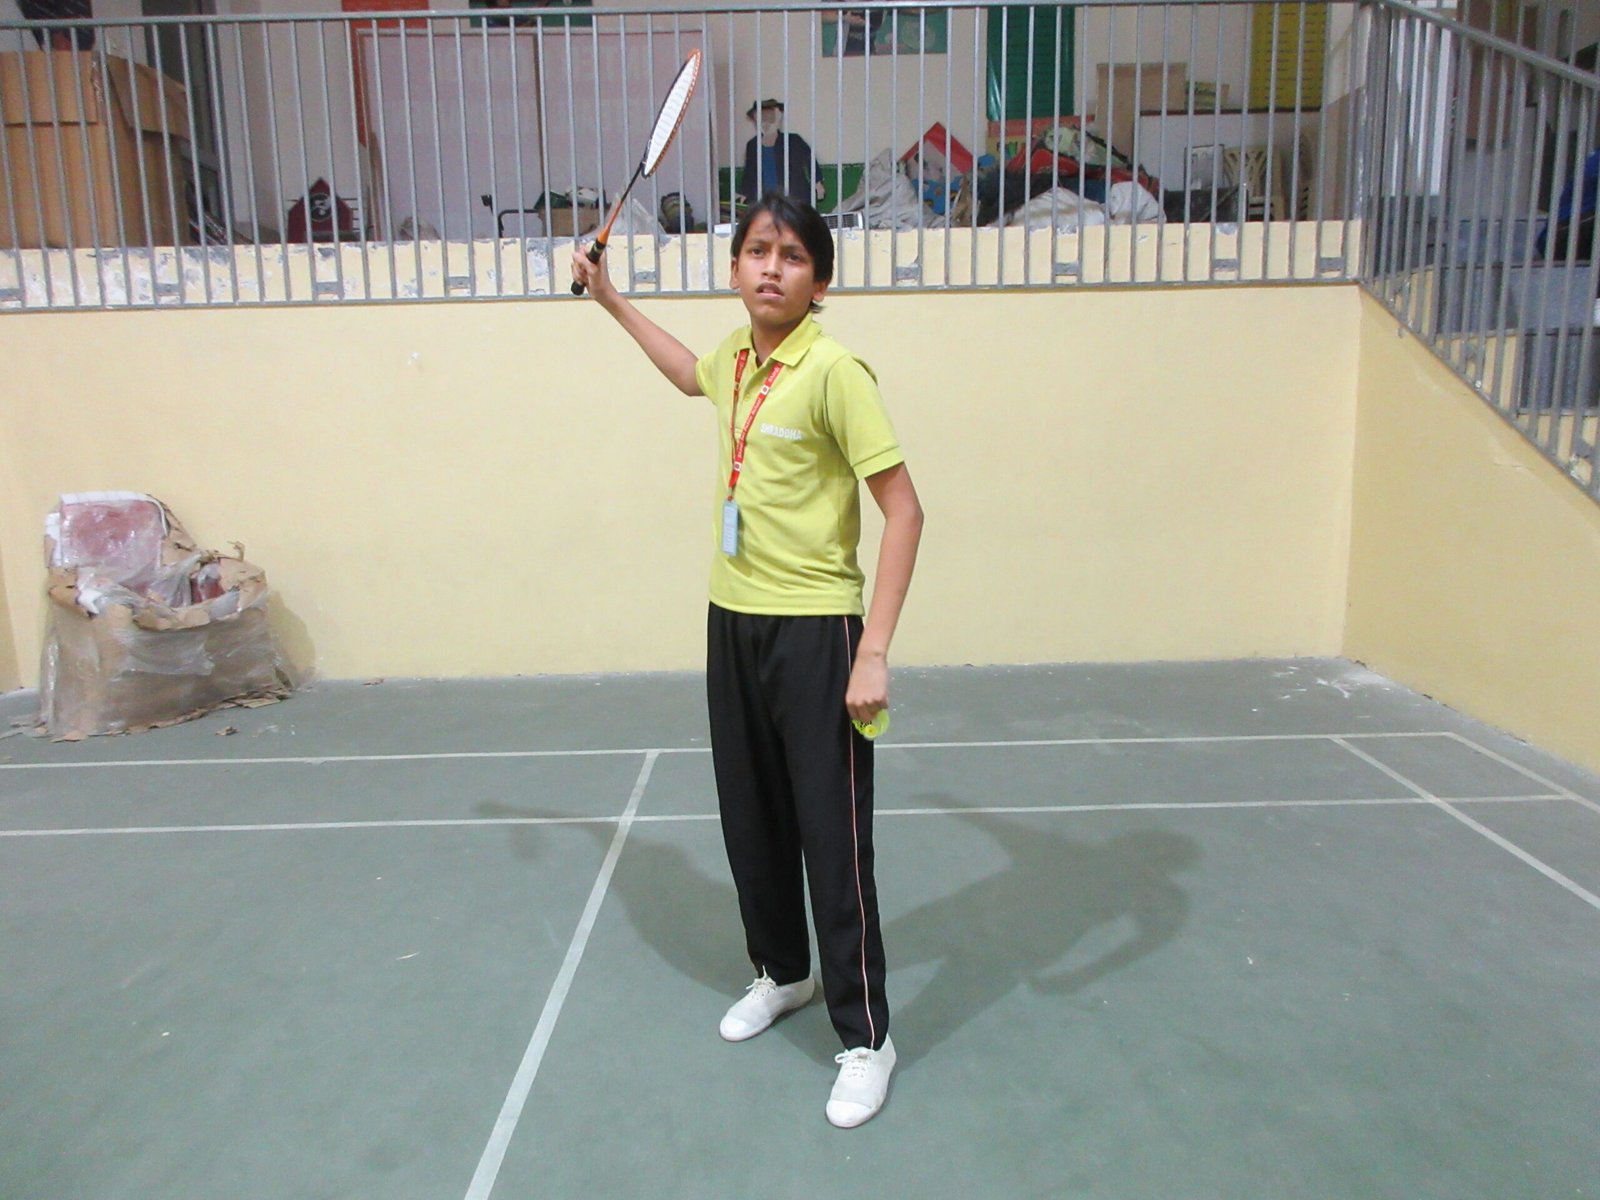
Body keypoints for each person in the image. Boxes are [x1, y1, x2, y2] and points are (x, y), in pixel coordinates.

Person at [570, 193, 924, 1129]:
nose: (772, 267)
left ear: (821, 279)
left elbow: (905, 511)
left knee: (833, 842)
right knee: (752, 820)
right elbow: (686, 372)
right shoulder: (734, 359)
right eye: (758, 250)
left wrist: (873, 652)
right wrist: (611, 300)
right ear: (734, 269)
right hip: (732, 620)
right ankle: (783, 971)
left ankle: (867, 1038)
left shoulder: (836, 373)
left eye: (793, 255)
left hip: (818, 632)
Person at [735, 100, 825, 209]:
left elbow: (809, 160)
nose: (765, 123)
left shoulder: (793, 140)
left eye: (770, 117)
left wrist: (817, 182)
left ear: (778, 118)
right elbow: (750, 172)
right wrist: (743, 192)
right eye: (761, 119)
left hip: (793, 196)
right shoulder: (752, 145)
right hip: (765, 199)